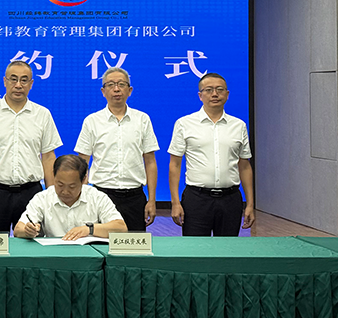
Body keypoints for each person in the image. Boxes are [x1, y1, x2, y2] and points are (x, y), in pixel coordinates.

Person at [0, 60, 63, 233]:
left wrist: (51, 197)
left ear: (31, 84)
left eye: (24, 80)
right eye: (13, 79)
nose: (18, 85)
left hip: (31, 193)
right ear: (5, 81)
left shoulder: (42, 114)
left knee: (32, 243)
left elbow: (49, 157)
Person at [168, 72, 255, 236]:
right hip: (196, 199)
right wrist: (175, 202)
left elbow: (244, 166)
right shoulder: (184, 124)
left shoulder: (239, 126)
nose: (215, 94)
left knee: (228, 249)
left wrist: (250, 204)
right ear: (200, 95)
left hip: (230, 199)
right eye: (208, 90)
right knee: (196, 249)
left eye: (219, 89)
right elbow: (175, 164)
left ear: (227, 94)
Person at [75, 67, 159, 231]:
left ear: (130, 90)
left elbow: (150, 162)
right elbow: (82, 163)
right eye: (111, 85)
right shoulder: (92, 121)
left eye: (121, 84)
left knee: (134, 244)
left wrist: (152, 200)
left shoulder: (142, 119)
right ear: (103, 91)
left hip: (135, 197)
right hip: (102, 196)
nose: (116, 89)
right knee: (101, 242)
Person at [14, 155, 127, 239]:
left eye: (72, 186)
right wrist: (28, 231)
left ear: (84, 180)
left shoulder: (97, 197)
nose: (65, 191)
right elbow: (18, 229)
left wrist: (89, 229)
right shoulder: (42, 198)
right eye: (60, 185)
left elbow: (121, 228)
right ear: (54, 176)